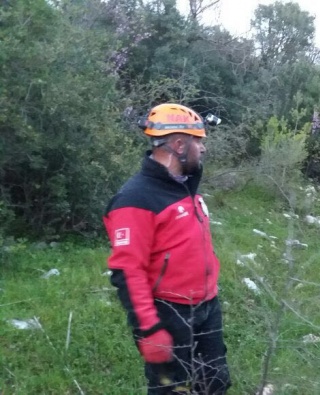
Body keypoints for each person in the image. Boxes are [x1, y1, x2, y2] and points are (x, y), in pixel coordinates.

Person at [103, 103, 230, 394]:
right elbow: (127, 270)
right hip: (170, 313)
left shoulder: (186, 187)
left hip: (207, 306)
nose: (203, 149)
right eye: (198, 141)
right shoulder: (136, 199)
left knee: (214, 382)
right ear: (178, 144)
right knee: (171, 389)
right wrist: (149, 328)